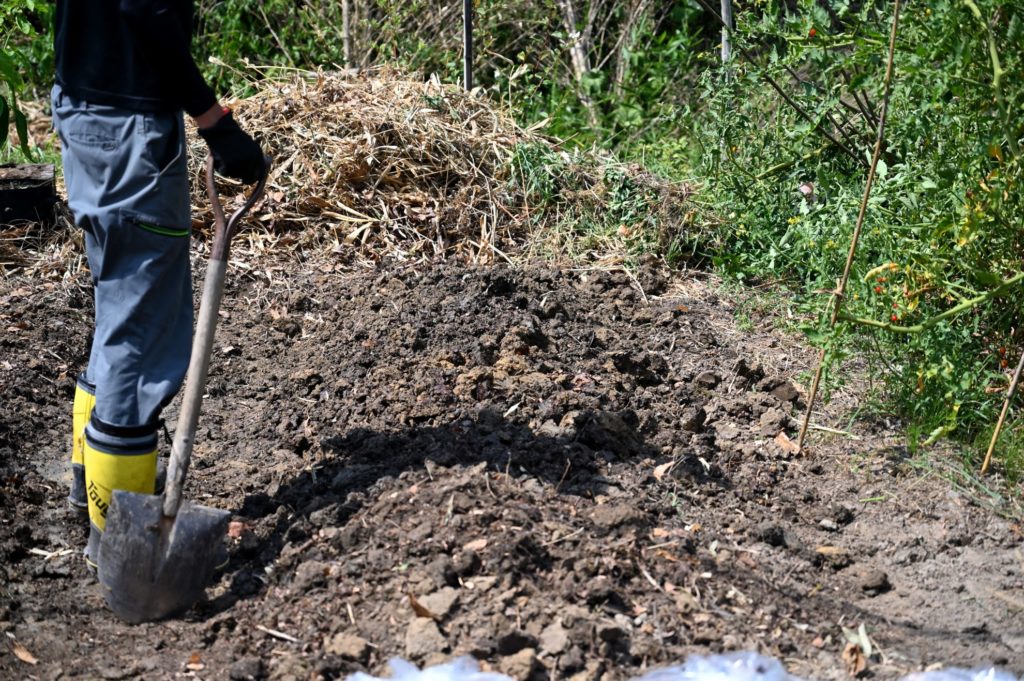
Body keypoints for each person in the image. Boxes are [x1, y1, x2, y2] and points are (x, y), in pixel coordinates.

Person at [51, 0, 267, 564]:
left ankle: (91, 493)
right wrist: (215, 122)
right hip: (131, 131)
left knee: (118, 306)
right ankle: (122, 551)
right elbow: (144, 7)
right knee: (141, 338)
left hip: (83, 110)